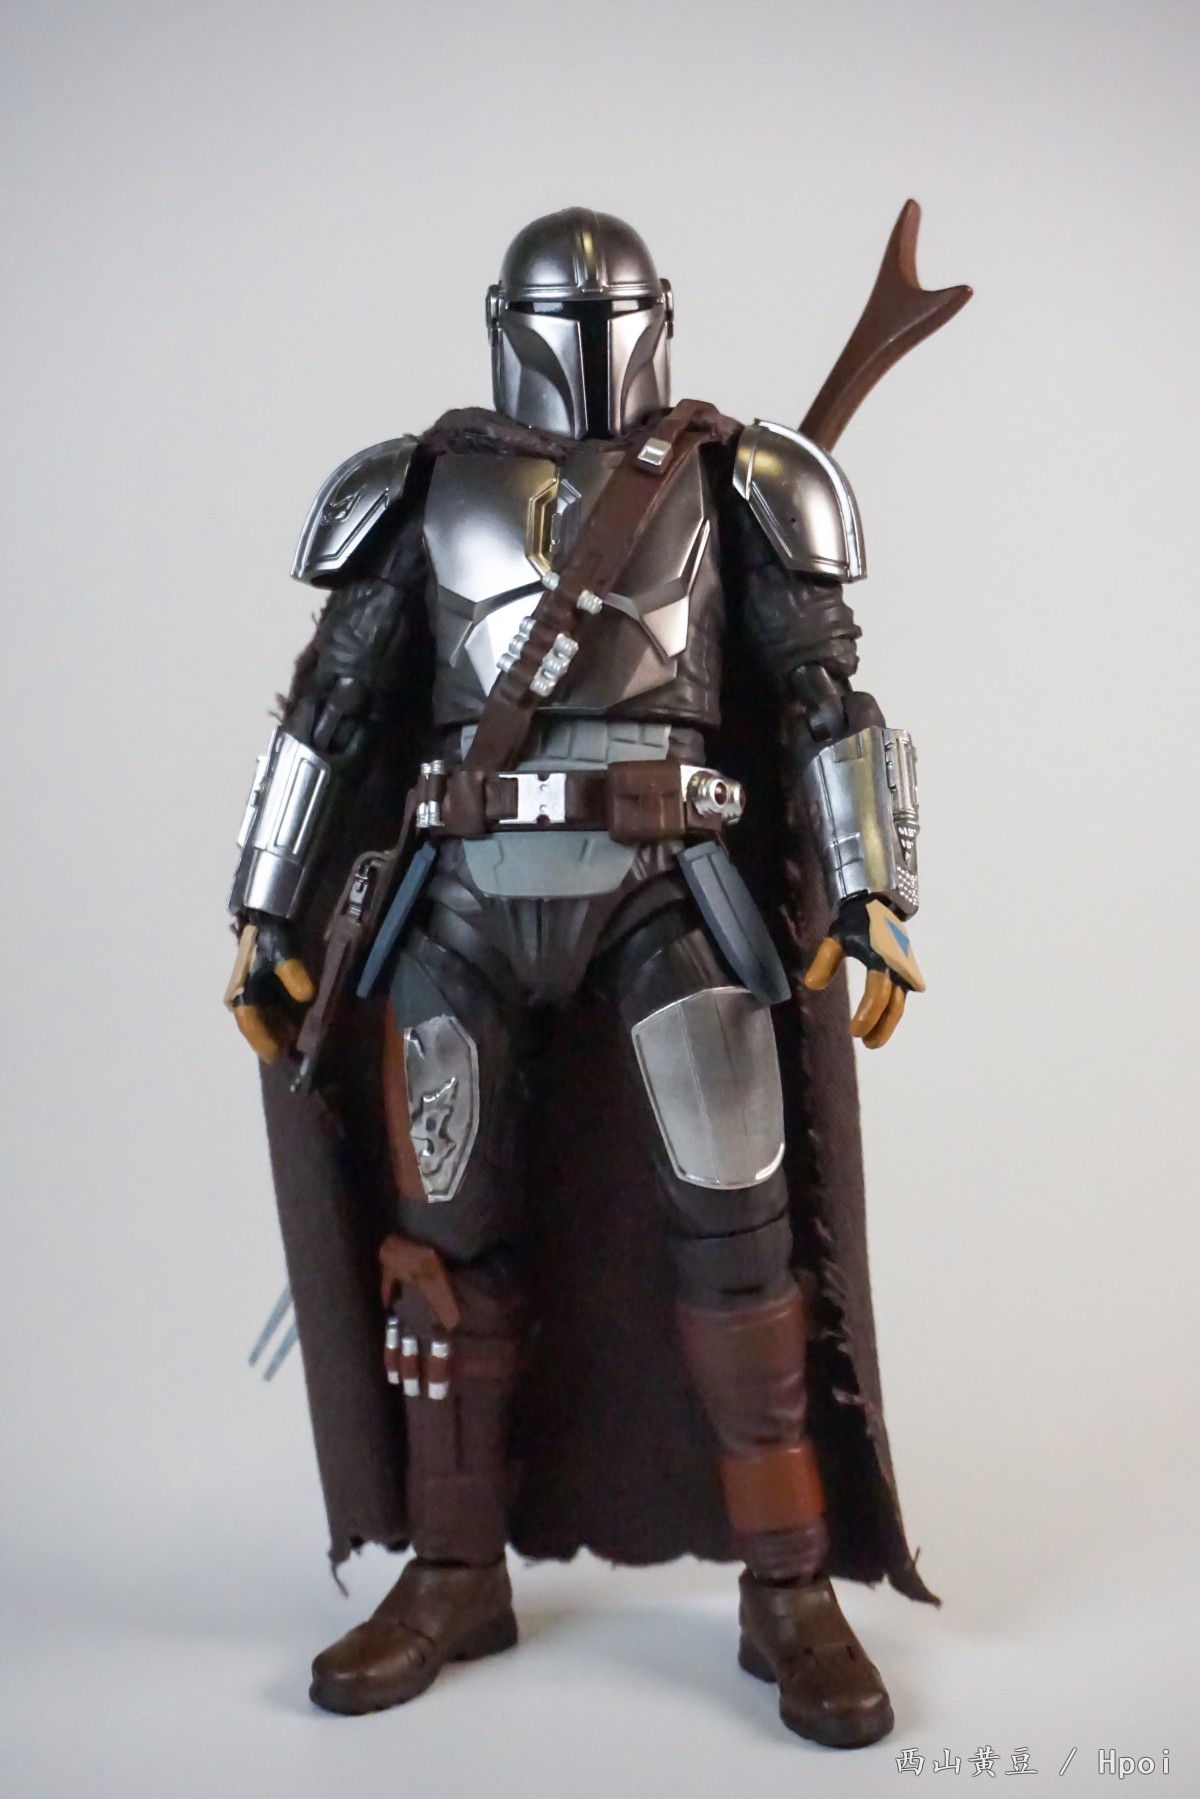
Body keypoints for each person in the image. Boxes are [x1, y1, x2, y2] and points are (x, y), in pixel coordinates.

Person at [225, 206, 946, 1748]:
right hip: (459, 909)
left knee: (739, 1238)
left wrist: (871, 887)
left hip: (668, 891)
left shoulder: (738, 480)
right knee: (444, 1251)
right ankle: (452, 1569)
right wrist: (266, 908)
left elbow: (824, 692)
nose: (584, 348)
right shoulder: (419, 486)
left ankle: (788, 1586)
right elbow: (332, 704)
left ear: (662, 321)